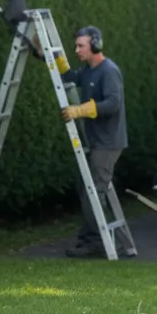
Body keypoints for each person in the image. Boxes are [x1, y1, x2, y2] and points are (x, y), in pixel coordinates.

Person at [45, 25, 127, 257]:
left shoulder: (109, 71)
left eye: (81, 46)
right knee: (86, 188)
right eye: (76, 46)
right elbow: (70, 77)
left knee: (93, 191)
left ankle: (96, 243)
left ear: (96, 44)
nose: (77, 50)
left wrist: (80, 110)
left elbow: (113, 104)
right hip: (98, 141)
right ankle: (89, 236)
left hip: (109, 143)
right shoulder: (89, 70)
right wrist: (50, 56)